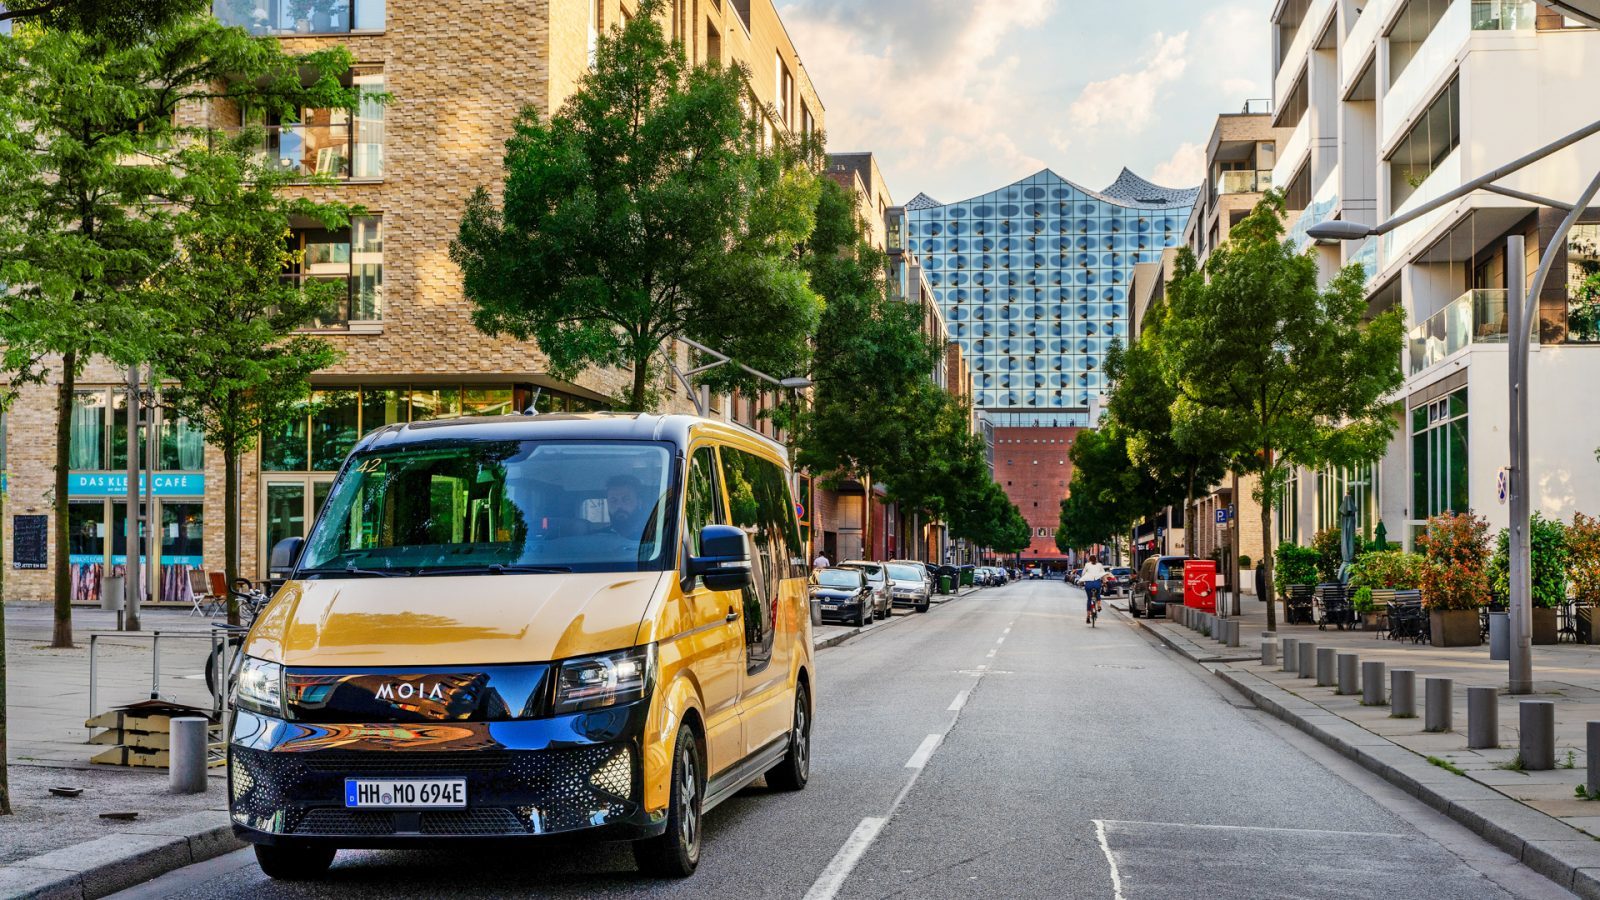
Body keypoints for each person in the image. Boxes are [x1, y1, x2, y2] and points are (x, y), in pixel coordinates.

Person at [605, 474, 649, 540]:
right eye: (613, 500)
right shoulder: (596, 539)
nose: (619, 505)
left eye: (626, 499)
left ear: (639, 503)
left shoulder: (653, 536)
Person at [1080, 557, 1109, 624]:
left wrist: (1082, 581)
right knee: (1098, 594)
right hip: (1097, 583)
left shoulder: (1087, 565)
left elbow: (1083, 574)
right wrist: (1104, 582)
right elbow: (1103, 575)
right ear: (1096, 559)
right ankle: (1099, 606)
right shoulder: (1099, 565)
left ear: (1089, 560)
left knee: (1089, 599)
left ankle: (1088, 616)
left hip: (1088, 584)